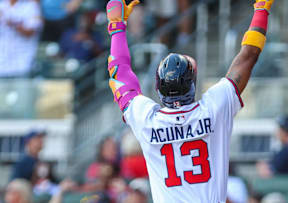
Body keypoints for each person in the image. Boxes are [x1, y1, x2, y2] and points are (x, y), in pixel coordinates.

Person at [105, 0, 274, 202]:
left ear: (158, 87)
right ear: (193, 84)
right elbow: (249, 55)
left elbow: (119, 73)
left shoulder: (146, 119)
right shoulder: (214, 108)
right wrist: (261, 9)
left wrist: (116, 26)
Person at [0, 0, 43, 77]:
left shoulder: (30, 6)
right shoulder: (1, 5)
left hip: (23, 63)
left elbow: (29, 32)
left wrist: (10, 21)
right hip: (2, 64)